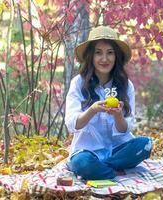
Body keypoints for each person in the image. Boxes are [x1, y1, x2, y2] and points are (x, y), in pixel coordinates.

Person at [65, 25, 152, 180]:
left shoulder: (126, 85)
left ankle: (103, 169)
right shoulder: (78, 83)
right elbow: (72, 124)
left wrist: (118, 115)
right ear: (91, 56)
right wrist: (92, 110)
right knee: (82, 163)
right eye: (98, 53)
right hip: (87, 150)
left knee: (145, 144)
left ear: (116, 56)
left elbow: (126, 128)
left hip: (118, 150)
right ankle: (111, 171)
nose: (104, 59)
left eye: (110, 53)